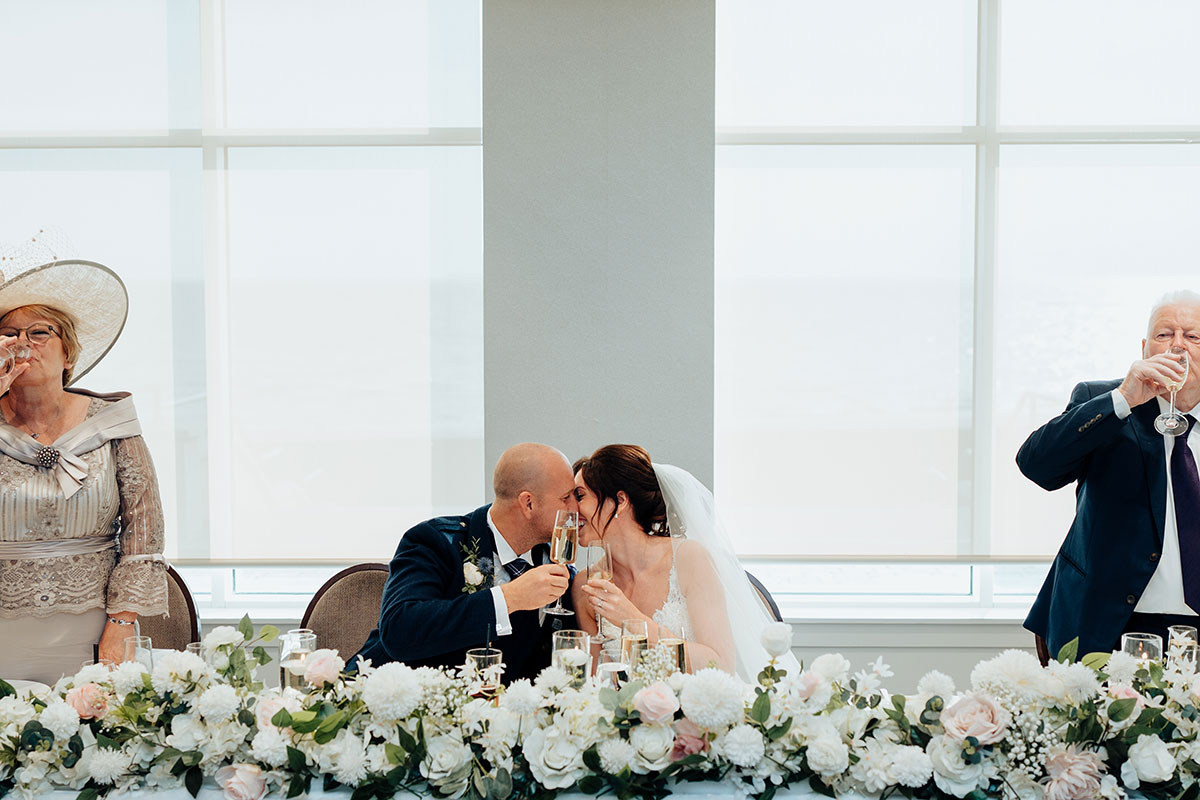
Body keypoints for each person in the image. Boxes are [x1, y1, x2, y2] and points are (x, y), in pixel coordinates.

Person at [0, 236, 167, 682]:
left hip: (93, 629)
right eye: (8, 334)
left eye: (39, 332)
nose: (23, 344)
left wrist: (122, 623)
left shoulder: (111, 422)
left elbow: (143, 530)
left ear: (68, 351)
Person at [1020, 290, 1200, 656]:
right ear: (1146, 347)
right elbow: (1037, 466)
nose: (1178, 348)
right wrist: (1123, 399)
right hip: (1113, 624)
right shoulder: (1104, 401)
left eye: (1193, 336)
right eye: (1165, 335)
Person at [570, 444, 798, 680]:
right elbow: (596, 681)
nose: (570, 509)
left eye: (579, 495)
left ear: (620, 500)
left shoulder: (689, 559)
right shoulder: (584, 586)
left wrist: (635, 621)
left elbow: (720, 665)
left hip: (701, 703)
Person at [355, 442, 578, 682]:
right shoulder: (435, 541)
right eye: (566, 498)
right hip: (382, 699)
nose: (575, 508)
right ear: (528, 504)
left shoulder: (555, 564)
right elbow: (399, 630)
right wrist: (510, 598)